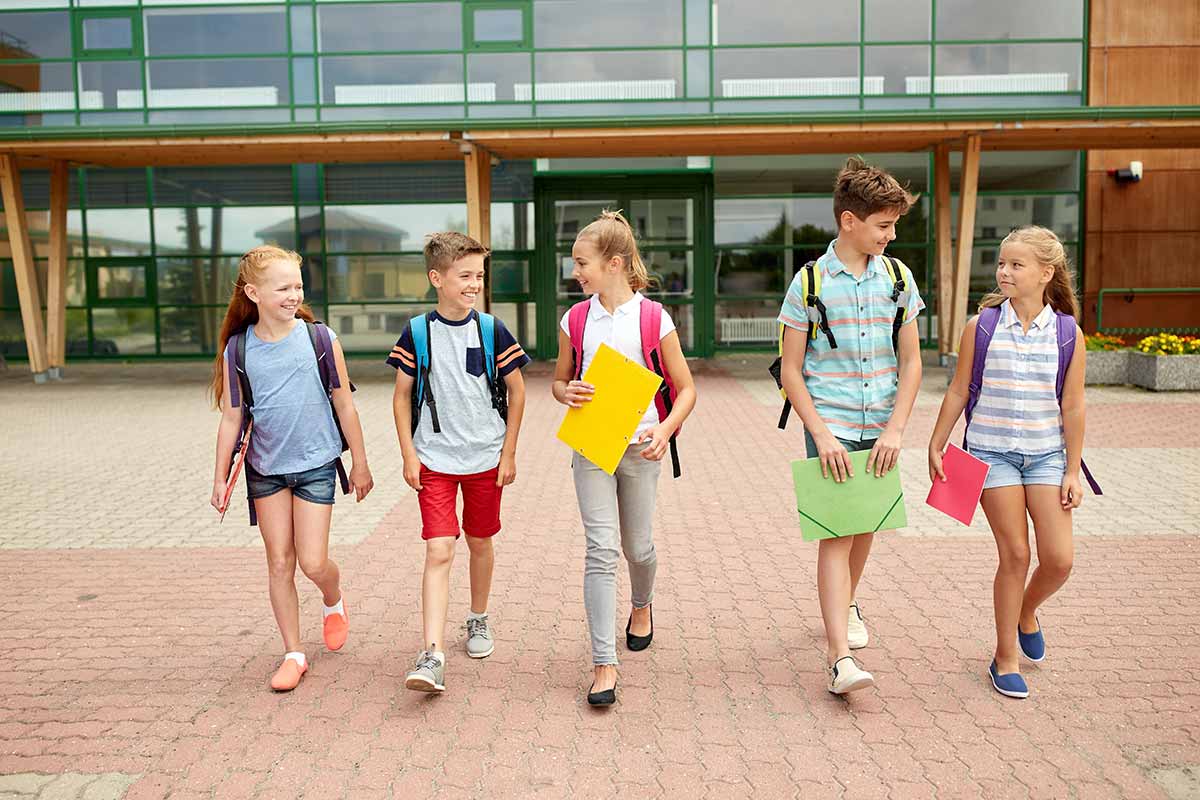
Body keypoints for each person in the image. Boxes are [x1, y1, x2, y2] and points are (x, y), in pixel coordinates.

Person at [776, 158, 923, 695]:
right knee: (835, 536)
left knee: (865, 528)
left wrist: (897, 429)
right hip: (830, 425)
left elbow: (912, 362)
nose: (891, 235)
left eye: (893, 225)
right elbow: (792, 371)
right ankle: (840, 660)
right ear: (849, 221)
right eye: (883, 225)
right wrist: (821, 435)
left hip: (882, 427)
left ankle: (846, 603)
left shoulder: (898, 278)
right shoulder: (809, 282)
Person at [927, 226, 1088, 699]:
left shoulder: (1066, 334)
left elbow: (1073, 405)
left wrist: (1072, 469)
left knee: (1058, 559)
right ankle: (1004, 657)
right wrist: (937, 443)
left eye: (1016, 265)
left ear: (1045, 272)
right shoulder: (983, 326)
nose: (1004, 272)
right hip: (990, 454)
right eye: (1001, 263)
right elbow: (958, 389)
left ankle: (1025, 612)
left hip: (1045, 456)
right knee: (1016, 554)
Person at [210, 245, 373, 692]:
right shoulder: (238, 349)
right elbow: (232, 417)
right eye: (282, 287)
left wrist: (360, 462)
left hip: (317, 464)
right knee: (279, 562)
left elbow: (344, 403)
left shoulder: (320, 339)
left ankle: (332, 597)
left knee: (313, 561)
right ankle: (294, 653)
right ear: (254, 293)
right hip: (265, 469)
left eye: (297, 286)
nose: (292, 295)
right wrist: (220, 477)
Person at [552, 210, 697, 707]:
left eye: (581, 262)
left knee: (638, 547)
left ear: (613, 263)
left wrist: (666, 428)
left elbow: (686, 389)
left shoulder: (653, 318)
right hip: (592, 444)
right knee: (600, 548)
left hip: (640, 446)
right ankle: (603, 663)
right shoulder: (575, 319)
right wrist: (564, 392)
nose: (575, 271)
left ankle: (642, 604)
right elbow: (559, 379)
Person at [387, 232, 529, 694]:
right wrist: (409, 454)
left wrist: (508, 452)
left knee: (480, 541)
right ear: (437, 278)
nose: (474, 284)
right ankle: (432, 654)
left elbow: (518, 390)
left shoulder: (491, 330)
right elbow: (402, 395)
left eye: (479, 276)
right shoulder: (417, 331)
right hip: (435, 460)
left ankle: (478, 618)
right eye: (465, 275)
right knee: (439, 549)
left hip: (486, 457)